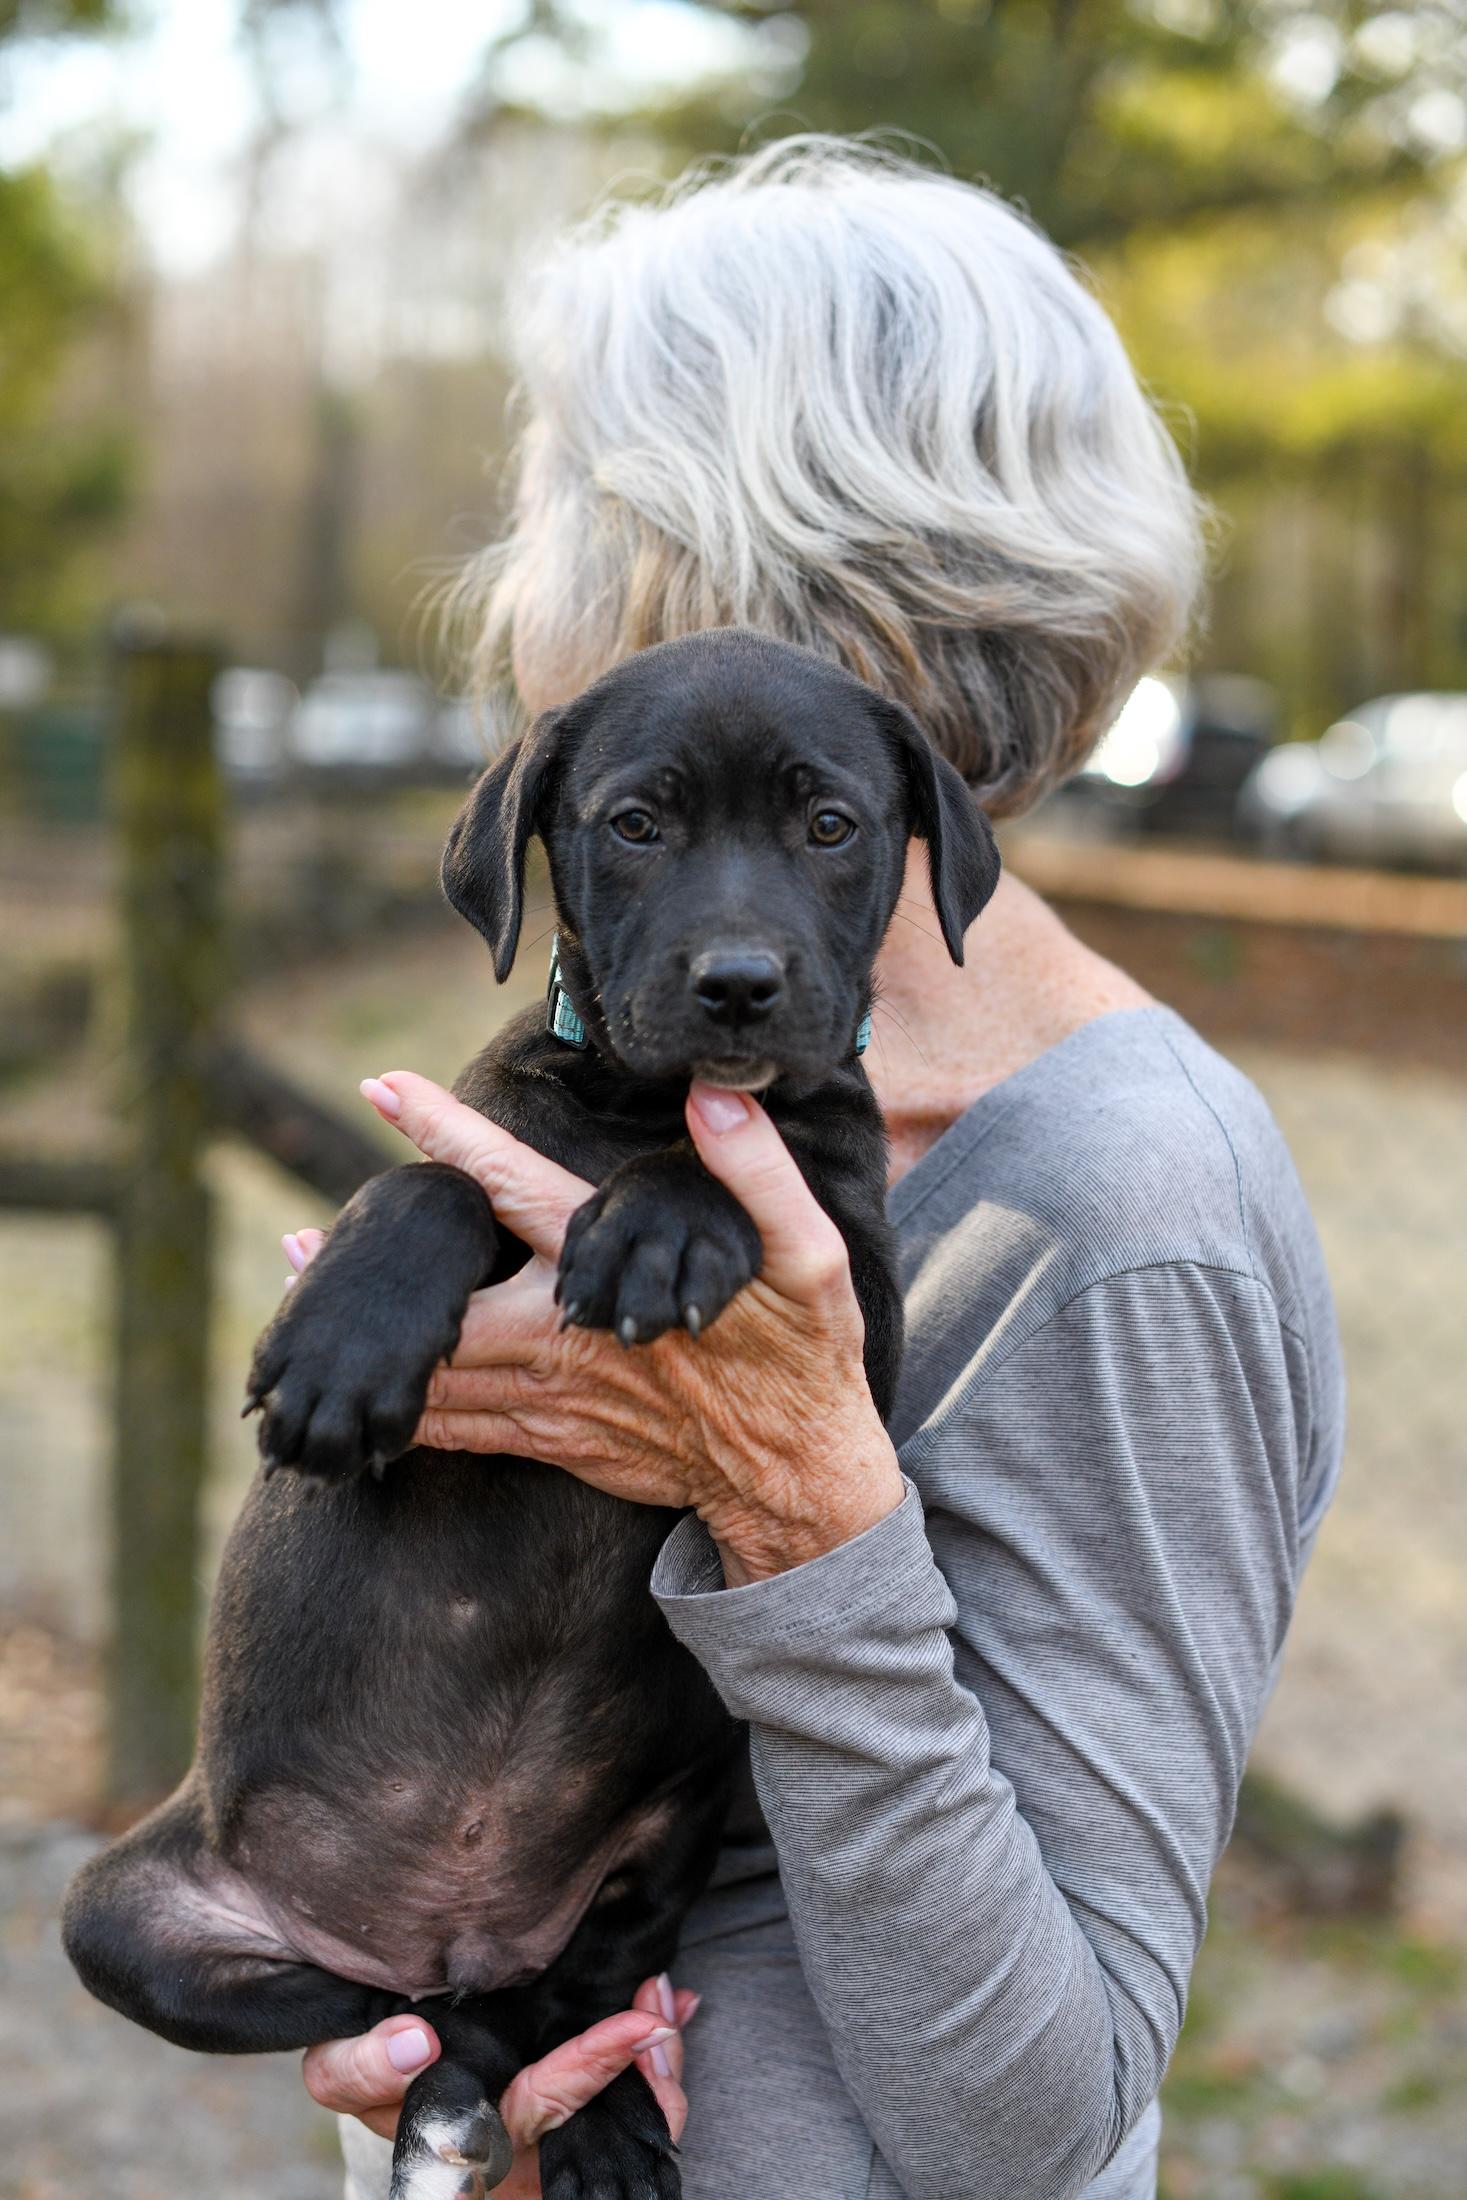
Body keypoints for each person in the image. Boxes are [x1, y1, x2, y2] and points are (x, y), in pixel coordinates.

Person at [292, 139, 1343, 2200]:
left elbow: (1034, 2117)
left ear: (712, 569)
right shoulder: (635, 1086)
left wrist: (796, 1497)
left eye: (551, 494)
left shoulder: (1119, 1210)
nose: (511, 581)